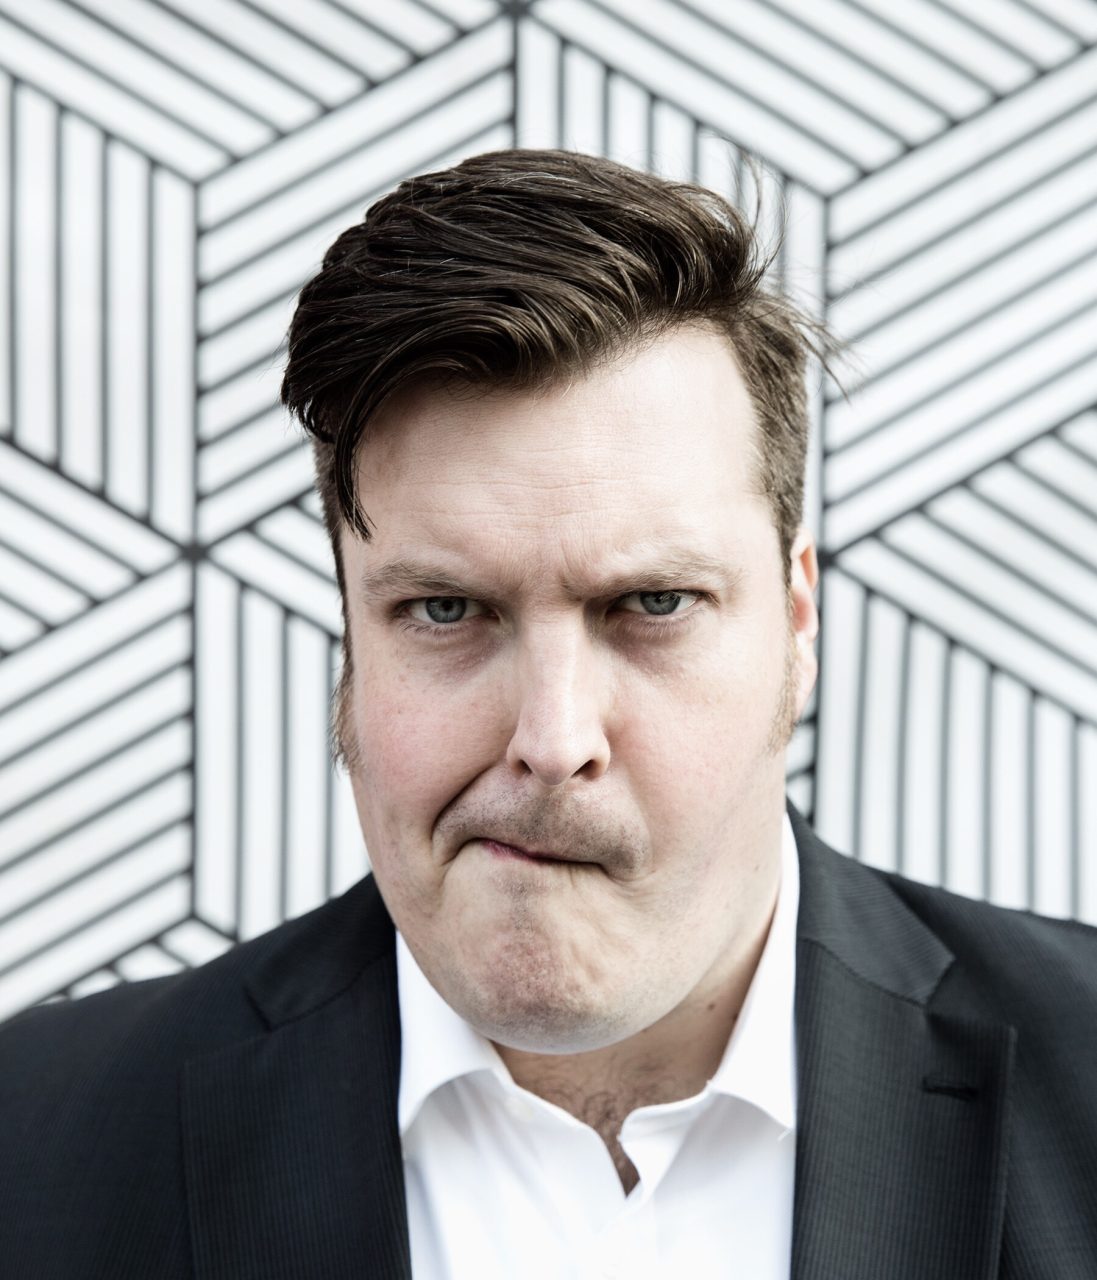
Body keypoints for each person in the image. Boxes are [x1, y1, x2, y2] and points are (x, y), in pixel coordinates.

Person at [1, 149, 1094, 1280]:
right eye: (443, 608)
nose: (552, 737)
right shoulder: (32, 1146)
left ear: (795, 621)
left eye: (652, 603)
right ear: (348, 634)